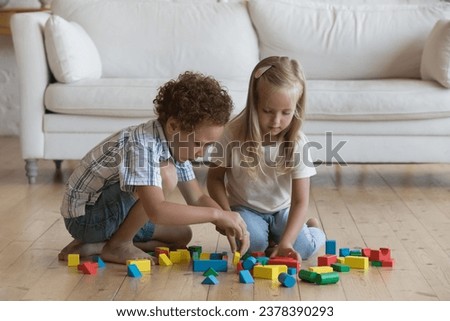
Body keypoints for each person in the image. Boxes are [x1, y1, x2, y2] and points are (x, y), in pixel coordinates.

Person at [58, 71, 249, 264]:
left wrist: (226, 218)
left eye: (209, 145)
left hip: (113, 215)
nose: (202, 153)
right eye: (199, 144)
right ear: (174, 125)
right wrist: (216, 214)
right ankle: (118, 245)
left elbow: (197, 197)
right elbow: (157, 210)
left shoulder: (176, 144)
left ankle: (98, 247)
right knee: (166, 174)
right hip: (87, 218)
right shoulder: (143, 143)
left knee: (182, 235)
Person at [207, 56, 325, 261]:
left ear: (296, 109)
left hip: (283, 210)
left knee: (304, 249)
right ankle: (271, 241)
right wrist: (227, 215)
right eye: (268, 111)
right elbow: (214, 178)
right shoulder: (231, 134)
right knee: (253, 247)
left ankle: (311, 229)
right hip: (245, 209)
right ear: (255, 103)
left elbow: (300, 201)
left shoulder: (298, 142)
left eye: (286, 113)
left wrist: (288, 243)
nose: (276, 121)